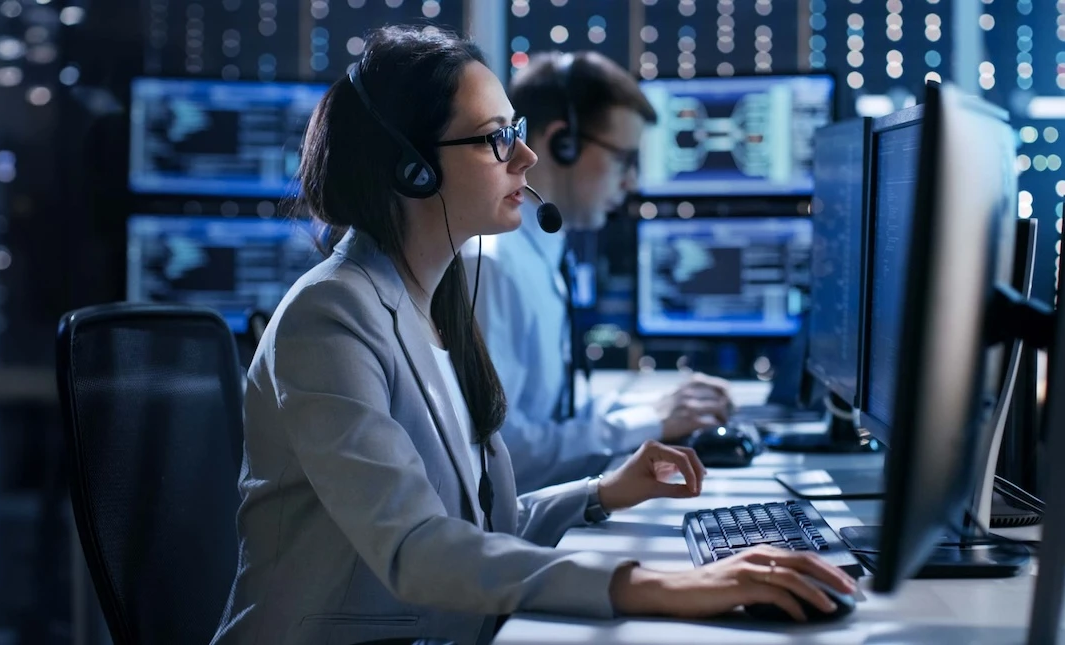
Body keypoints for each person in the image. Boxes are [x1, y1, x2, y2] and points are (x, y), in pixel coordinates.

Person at [211, 26, 855, 645]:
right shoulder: (330, 317)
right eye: (496, 139)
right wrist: (658, 584)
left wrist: (601, 492)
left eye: (515, 131)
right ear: (413, 169)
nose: (527, 156)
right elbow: (415, 548)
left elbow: (479, 525)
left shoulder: (435, 300)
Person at [463, 51, 737, 491]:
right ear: (561, 144)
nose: (631, 183)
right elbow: (503, 454)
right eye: (624, 160)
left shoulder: (543, 255)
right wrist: (650, 421)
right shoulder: (491, 267)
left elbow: (555, 411)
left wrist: (658, 409)